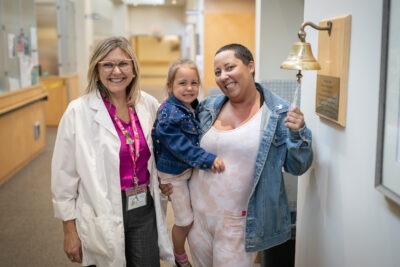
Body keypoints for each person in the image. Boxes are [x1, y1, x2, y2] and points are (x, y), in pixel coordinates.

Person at [160, 43, 313, 267]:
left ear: (250, 66)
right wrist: (169, 179)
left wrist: (299, 132)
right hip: (198, 219)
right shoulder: (206, 107)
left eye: (230, 67)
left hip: (239, 223)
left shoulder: (278, 114)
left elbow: (297, 166)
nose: (224, 76)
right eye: (218, 72)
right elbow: (180, 147)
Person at [51, 36, 174, 267]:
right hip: (101, 208)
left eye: (123, 63)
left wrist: (166, 179)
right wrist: (69, 230)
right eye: (107, 64)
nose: (116, 71)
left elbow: (161, 151)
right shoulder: (77, 112)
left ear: (134, 68)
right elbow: (64, 176)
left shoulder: (148, 104)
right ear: (96, 70)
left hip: (142, 205)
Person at [151, 59, 225, 267]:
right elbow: (181, 146)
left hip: (186, 169)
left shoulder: (190, 106)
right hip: (174, 175)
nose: (189, 88)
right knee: (185, 220)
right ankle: (179, 255)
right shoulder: (169, 114)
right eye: (182, 83)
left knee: (198, 214)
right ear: (170, 86)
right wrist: (207, 160)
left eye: (194, 83)